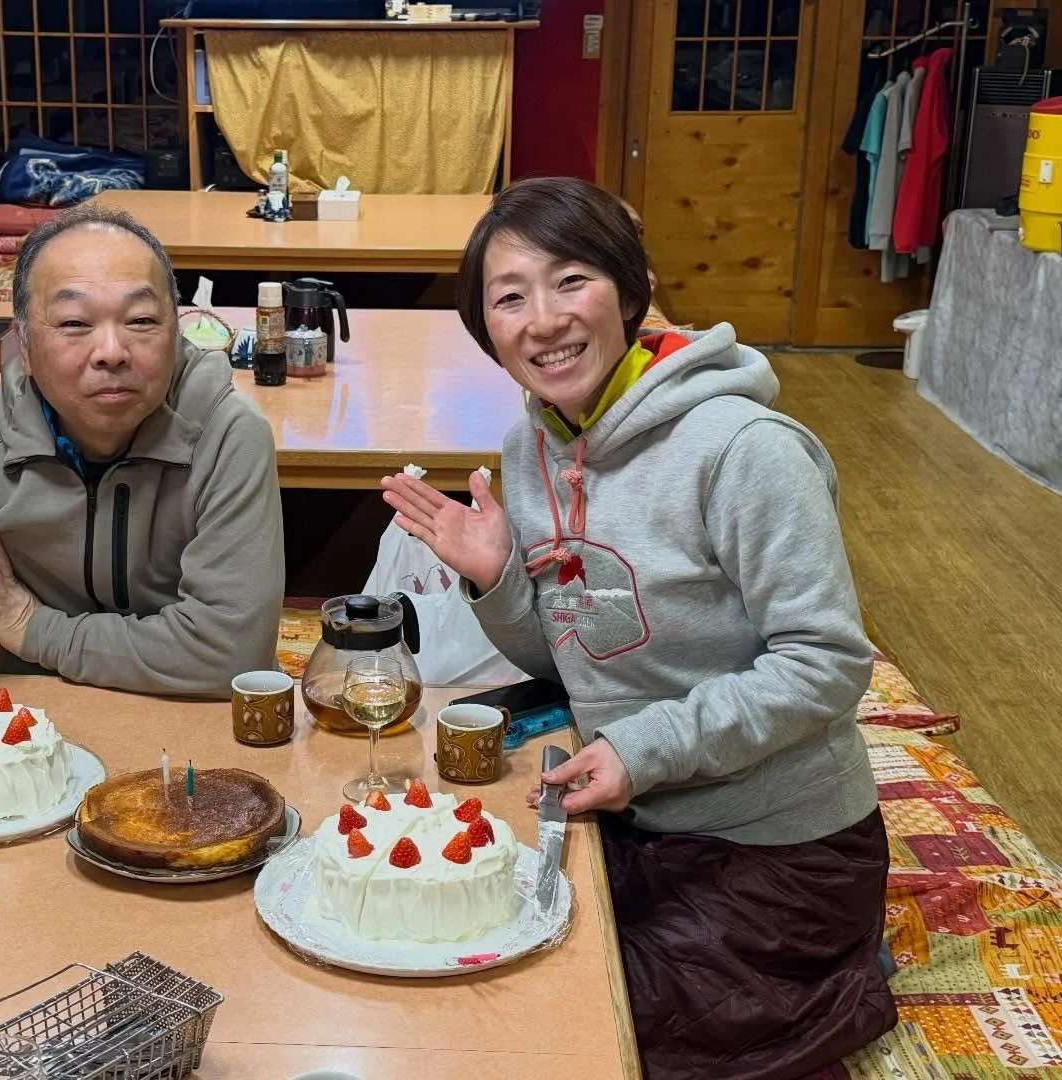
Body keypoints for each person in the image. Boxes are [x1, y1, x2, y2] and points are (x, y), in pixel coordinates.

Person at [381, 177, 895, 1078]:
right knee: (452, 956)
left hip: (776, 844)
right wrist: (499, 578)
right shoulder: (530, 448)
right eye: (509, 297)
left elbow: (825, 665)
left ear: (631, 289)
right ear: (487, 332)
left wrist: (643, 750)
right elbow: (577, 659)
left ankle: (836, 965)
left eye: (570, 280)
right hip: (635, 825)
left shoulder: (744, 448)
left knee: (572, 1034)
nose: (542, 320)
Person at [0, 202, 284, 698]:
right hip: (34, 723)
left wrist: (35, 630)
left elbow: (231, 654)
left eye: (141, 319)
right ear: (24, 345)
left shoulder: (228, 433)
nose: (111, 351)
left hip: (189, 714)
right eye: (74, 323)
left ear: (177, 330)